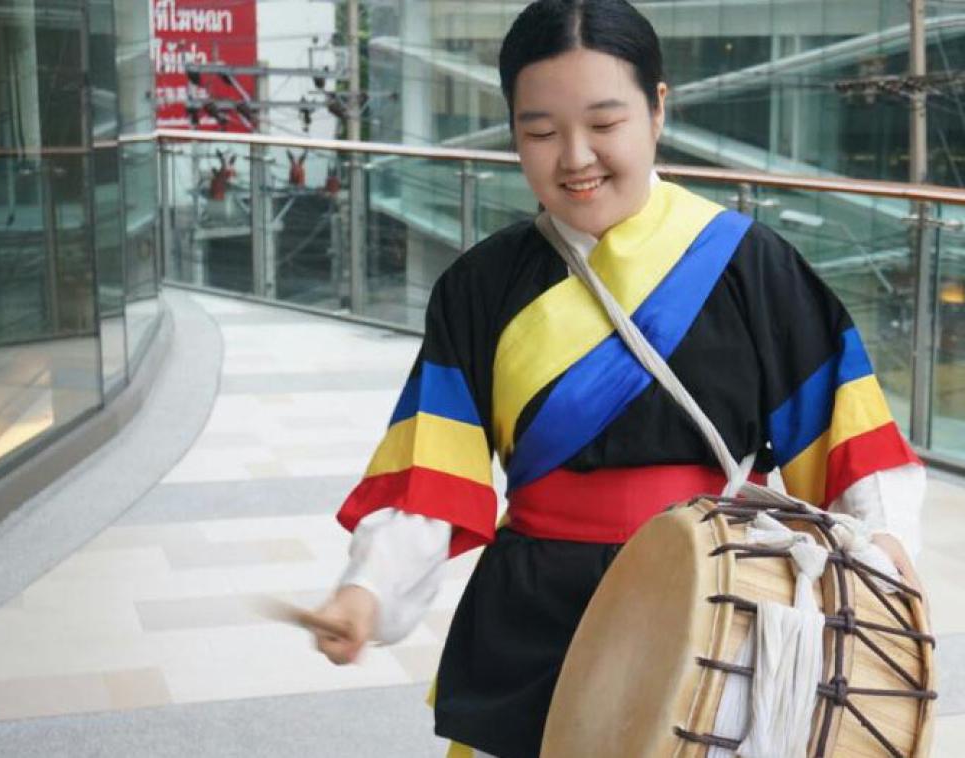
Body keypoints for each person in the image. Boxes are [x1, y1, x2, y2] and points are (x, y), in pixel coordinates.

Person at [311, 1, 925, 756]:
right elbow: (431, 479)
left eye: (604, 124)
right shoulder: (477, 288)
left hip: (717, 604)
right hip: (534, 616)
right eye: (541, 132)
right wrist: (366, 591)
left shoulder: (753, 266)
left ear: (657, 108)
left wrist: (885, 545)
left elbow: (851, 445)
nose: (575, 158)